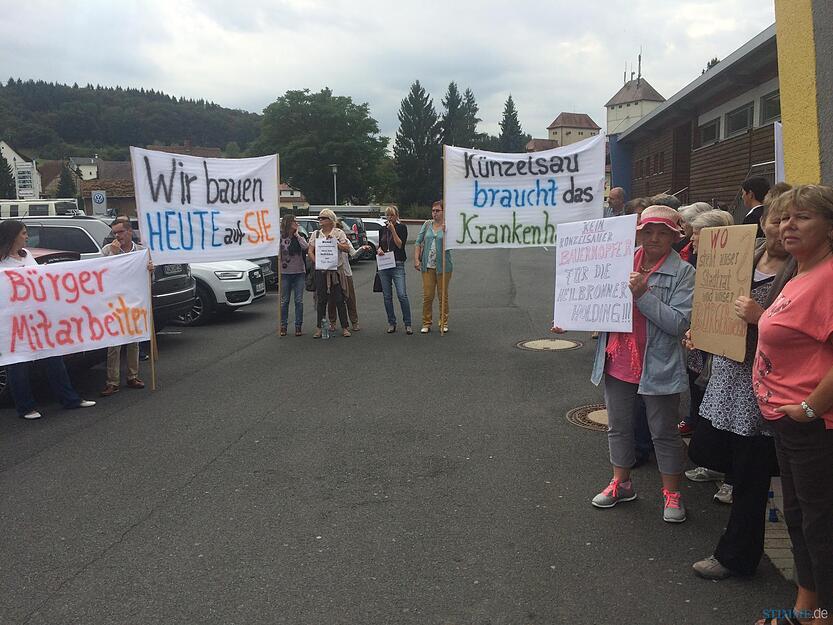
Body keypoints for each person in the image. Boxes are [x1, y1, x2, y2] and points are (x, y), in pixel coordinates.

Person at [553, 206, 695, 522]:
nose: (654, 238)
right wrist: (569, 317)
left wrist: (644, 295)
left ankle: (672, 493)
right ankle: (622, 482)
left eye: (662, 232)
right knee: (618, 426)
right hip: (618, 359)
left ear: (674, 236)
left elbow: (679, 324)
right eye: (648, 231)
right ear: (638, 232)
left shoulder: (683, 272)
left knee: (663, 432)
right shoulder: (616, 259)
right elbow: (594, 299)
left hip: (657, 364)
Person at [686, 201, 789, 581]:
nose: (783, 227)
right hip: (729, 377)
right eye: (777, 218)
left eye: (792, 219)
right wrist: (702, 333)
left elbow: (799, 337)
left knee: (750, 476)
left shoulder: (801, 271)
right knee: (707, 450)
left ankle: (737, 555)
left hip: (762, 386)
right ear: (763, 222)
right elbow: (715, 300)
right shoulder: (746, 255)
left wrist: (760, 318)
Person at [753, 185, 833, 625]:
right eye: (784, 217)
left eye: (802, 217)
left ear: (830, 226)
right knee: (800, 515)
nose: (789, 225)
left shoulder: (829, 277)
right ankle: (806, 605)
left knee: (821, 524)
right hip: (786, 421)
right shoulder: (799, 272)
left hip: (814, 424)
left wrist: (807, 408)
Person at [0, 220, 96, 419]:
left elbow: (40, 280)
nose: (27, 237)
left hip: (38, 319)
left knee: (54, 358)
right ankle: (25, 407)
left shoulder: (26, 257)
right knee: (18, 364)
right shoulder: (2, 262)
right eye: (24, 233)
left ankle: (70, 399)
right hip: (13, 323)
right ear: (12, 236)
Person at [677, 210, 734, 437]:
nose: (691, 238)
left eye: (697, 233)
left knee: (709, 394)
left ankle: (708, 448)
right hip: (697, 343)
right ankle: (698, 431)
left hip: (716, 349)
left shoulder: (727, 269)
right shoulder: (699, 263)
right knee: (697, 388)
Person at [100, 218, 152, 396]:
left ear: (130, 232)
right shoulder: (108, 251)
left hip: (134, 301)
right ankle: (112, 381)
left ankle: (132, 376)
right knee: (114, 344)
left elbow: (148, 280)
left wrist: (149, 270)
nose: (117, 236)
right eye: (114, 233)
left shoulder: (141, 252)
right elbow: (104, 275)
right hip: (114, 302)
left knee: (133, 340)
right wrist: (114, 255)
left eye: (120, 232)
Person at [307, 209, 351, 338]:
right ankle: (319, 328)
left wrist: (336, 243)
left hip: (335, 271)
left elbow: (347, 248)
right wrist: (316, 262)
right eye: (319, 218)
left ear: (330, 220)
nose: (320, 220)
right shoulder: (316, 234)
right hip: (321, 271)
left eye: (323, 218)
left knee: (339, 299)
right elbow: (310, 251)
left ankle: (345, 327)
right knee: (321, 301)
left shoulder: (339, 233)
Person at [414, 200, 452, 333]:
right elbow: (418, 242)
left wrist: (447, 231)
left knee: (442, 296)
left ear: (443, 212)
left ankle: (443, 322)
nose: (435, 213)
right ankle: (426, 322)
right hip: (428, 265)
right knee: (428, 295)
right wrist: (416, 260)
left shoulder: (448, 226)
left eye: (437, 211)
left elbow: (454, 243)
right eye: (433, 211)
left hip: (443, 266)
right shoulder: (427, 224)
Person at [376, 205, 413, 334]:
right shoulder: (382, 230)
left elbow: (399, 245)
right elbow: (381, 245)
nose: (389, 218)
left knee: (402, 295)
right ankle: (391, 322)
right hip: (384, 264)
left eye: (392, 215)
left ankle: (408, 323)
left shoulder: (401, 228)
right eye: (387, 215)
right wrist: (379, 250)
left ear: (397, 216)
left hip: (397, 263)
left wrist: (393, 230)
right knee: (387, 296)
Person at [328, 219, 366, 332]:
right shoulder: (326, 240)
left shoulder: (346, 241)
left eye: (338, 229)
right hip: (332, 272)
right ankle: (332, 322)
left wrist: (362, 249)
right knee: (332, 300)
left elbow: (353, 254)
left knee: (350, 298)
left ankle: (354, 321)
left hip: (345, 272)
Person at [278, 214, 308, 336]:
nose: (297, 224)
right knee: (284, 301)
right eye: (295, 222)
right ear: (288, 223)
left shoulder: (298, 236)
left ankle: (298, 326)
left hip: (299, 272)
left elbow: (305, 246)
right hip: (285, 273)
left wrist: (297, 235)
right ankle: (283, 326)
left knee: (298, 301)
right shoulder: (279, 237)